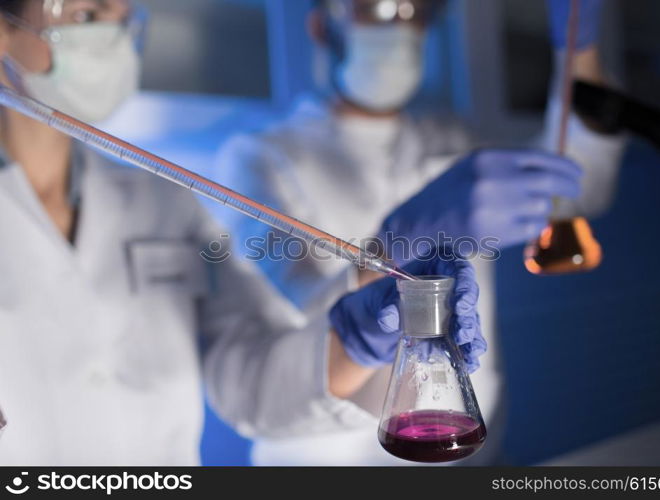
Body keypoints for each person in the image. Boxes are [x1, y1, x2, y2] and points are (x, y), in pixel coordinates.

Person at [0, 0, 494, 465]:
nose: (109, 38)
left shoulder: (161, 201)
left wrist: (356, 338)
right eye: (86, 12)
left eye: (123, 19)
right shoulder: (261, 156)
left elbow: (252, 379)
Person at [215, 0, 625, 465]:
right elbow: (295, 317)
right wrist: (400, 239)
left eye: (415, 11)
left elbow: (578, 185)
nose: (400, 25)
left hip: (466, 455)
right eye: (377, 8)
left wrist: (579, 51)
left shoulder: (456, 143)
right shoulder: (257, 158)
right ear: (320, 25)